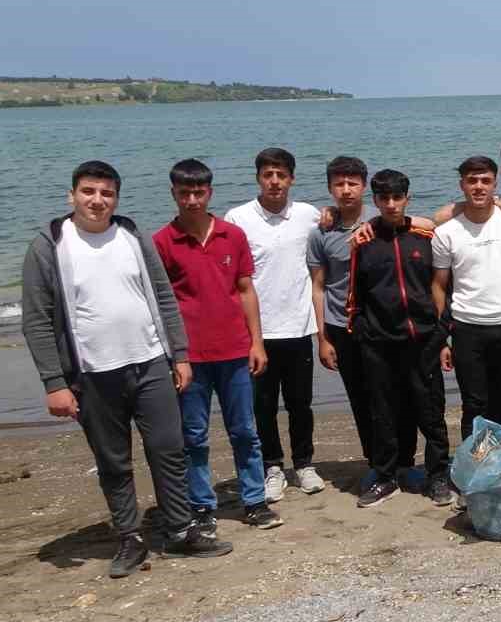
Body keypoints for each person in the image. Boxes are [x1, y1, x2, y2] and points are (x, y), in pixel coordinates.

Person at [21, 160, 231, 578]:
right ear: (72, 195)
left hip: (151, 362)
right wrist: (54, 383)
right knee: (114, 462)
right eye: (88, 192)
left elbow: (163, 297)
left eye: (106, 193)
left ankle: (179, 530)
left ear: (116, 197)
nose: (97, 200)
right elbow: (37, 320)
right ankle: (130, 538)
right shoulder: (50, 245)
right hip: (93, 375)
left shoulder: (132, 236)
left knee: (170, 451)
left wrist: (180, 354)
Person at [153, 159, 283, 534]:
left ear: (210, 192)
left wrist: (257, 342)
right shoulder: (162, 242)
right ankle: (202, 504)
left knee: (244, 429)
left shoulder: (232, 235)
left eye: (199, 192)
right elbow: (161, 304)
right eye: (184, 193)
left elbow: (245, 290)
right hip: (189, 357)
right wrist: (175, 356)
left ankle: (254, 499)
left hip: (235, 351)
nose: (192, 200)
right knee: (193, 435)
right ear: (174, 194)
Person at [347, 170, 453, 508]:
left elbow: (442, 287)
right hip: (380, 342)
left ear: (407, 197)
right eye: (384, 198)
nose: (391, 204)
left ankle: (437, 475)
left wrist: (442, 333)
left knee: (431, 411)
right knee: (384, 412)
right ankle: (386, 475)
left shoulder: (425, 235)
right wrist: (365, 334)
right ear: (375, 201)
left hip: (423, 340)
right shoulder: (362, 242)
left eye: (397, 197)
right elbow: (355, 296)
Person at [224, 147, 324, 501]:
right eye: (268, 175)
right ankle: (272, 467)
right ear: (258, 178)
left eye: (281, 175)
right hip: (257, 333)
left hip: (298, 326)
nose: (275, 181)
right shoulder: (237, 218)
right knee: (262, 405)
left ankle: (304, 464)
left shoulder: (308, 215)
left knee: (301, 402)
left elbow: (343, 226)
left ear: (292, 178)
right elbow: (232, 278)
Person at [431, 156, 501, 442]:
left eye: (485, 181)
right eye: (472, 181)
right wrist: (442, 339)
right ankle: (476, 467)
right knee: (474, 404)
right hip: (467, 329)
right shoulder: (446, 233)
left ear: (495, 183)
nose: (479, 187)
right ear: (462, 185)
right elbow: (439, 286)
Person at [308, 156, 379, 472]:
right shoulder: (321, 232)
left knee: (390, 394)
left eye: (353, 183)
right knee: (360, 398)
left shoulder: (381, 221)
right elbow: (318, 287)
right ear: (330, 188)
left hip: (380, 324)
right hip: (341, 325)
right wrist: (322, 338)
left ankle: (398, 461)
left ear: (364, 186)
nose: (346, 190)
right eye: (339, 184)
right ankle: (375, 462)